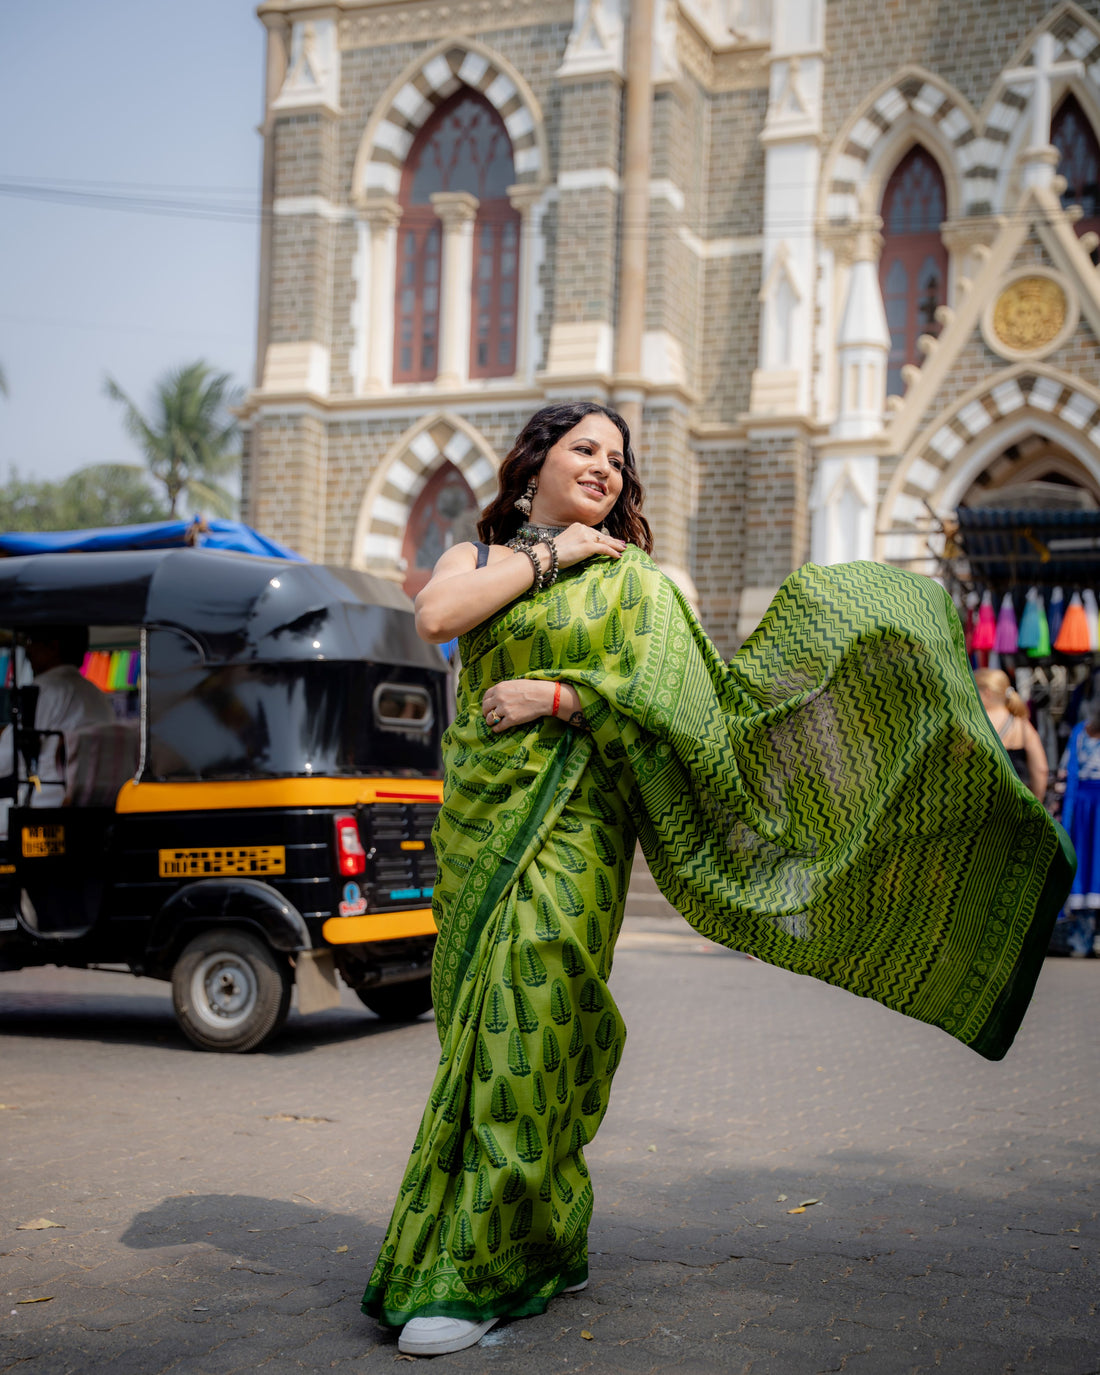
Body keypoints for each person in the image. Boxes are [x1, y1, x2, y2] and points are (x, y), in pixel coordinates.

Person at [361, 402, 1074, 1357]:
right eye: (586, 449)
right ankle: (550, 1223)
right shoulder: (474, 560)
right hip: (482, 829)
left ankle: (478, 1265)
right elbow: (438, 615)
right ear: (534, 463)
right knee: (483, 1034)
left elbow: (692, 715)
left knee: (533, 1013)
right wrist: (561, 555)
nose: (606, 468)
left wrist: (565, 695)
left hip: (575, 832)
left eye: (619, 458)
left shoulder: (643, 587)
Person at [0, 626, 114, 840]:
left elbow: (3, 761)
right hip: (91, 807)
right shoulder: (97, 695)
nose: (28, 650)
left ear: (53, 647)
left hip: (42, 805)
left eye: (32, 642)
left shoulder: (42, 691)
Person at [1055, 698, 1100, 955]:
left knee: (1087, 868)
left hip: (1083, 808)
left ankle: (1082, 940)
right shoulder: (1079, 732)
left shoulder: (1080, 732)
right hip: (1086, 808)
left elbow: (1064, 771)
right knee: (1089, 867)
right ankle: (1086, 938)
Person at [974, 668, 1049, 800]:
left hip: (980, 804)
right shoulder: (1022, 725)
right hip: (1016, 802)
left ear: (987, 692)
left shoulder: (973, 724)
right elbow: (1041, 769)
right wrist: (1037, 802)